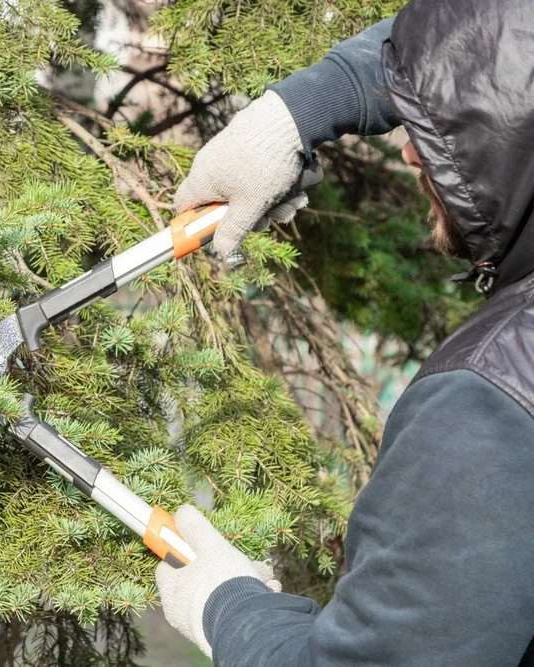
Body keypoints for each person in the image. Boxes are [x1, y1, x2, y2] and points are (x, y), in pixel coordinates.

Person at [156, 0, 534, 664]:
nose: (409, 149)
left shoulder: (490, 407)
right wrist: (299, 111)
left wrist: (230, 611)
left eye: (444, 130)